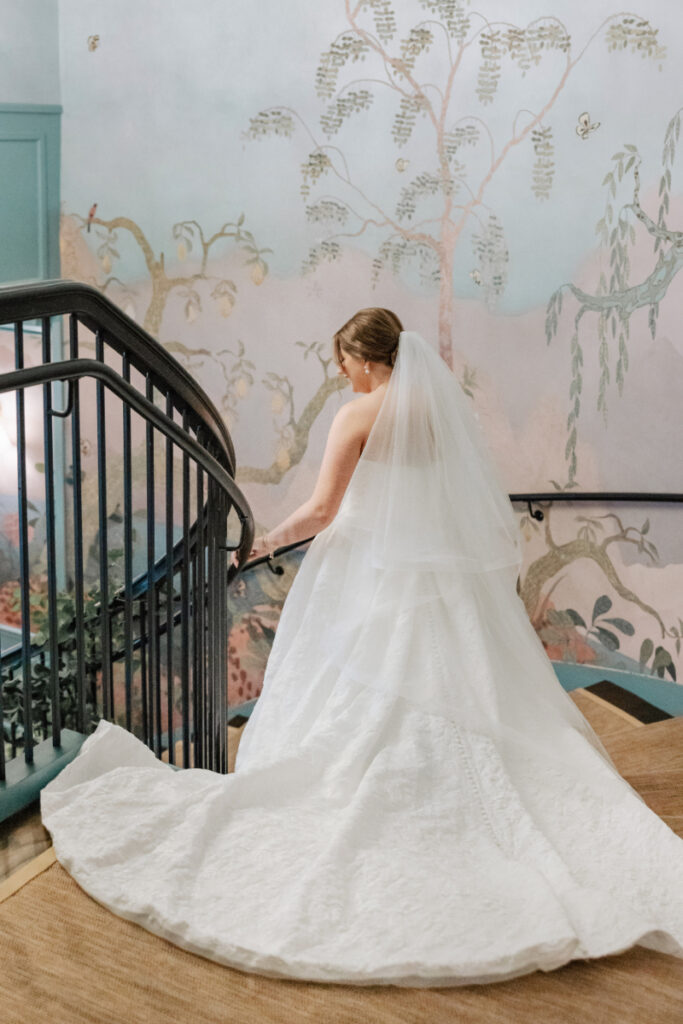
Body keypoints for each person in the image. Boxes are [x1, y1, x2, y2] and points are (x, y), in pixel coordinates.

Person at [41, 309, 683, 987]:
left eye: (343, 360)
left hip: (365, 572)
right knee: (451, 685)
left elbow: (322, 511)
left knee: (356, 685)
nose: (340, 371)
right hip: (434, 580)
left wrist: (262, 542)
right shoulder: (436, 415)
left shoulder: (356, 415)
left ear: (366, 360)